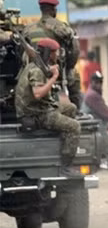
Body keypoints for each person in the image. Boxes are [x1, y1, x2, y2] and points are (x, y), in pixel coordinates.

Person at [15, 38, 81, 174]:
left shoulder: (36, 66)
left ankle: (64, 142)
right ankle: (66, 165)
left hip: (40, 109)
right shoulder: (37, 71)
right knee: (74, 126)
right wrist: (53, 78)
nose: (56, 55)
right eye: (54, 52)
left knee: (71, 108)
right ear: (47, 53)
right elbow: (38, 94)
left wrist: (50, 70)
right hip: (37, 115)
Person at [23, 0, 82, 108]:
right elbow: (74, 50)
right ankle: (76, 111)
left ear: (41, 9)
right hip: (55, 71)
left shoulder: (28, 29)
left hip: (31, 71)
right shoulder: (61, 27)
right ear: (52, 10)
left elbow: (21, 51)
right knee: (75, 76)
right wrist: (69, 67)